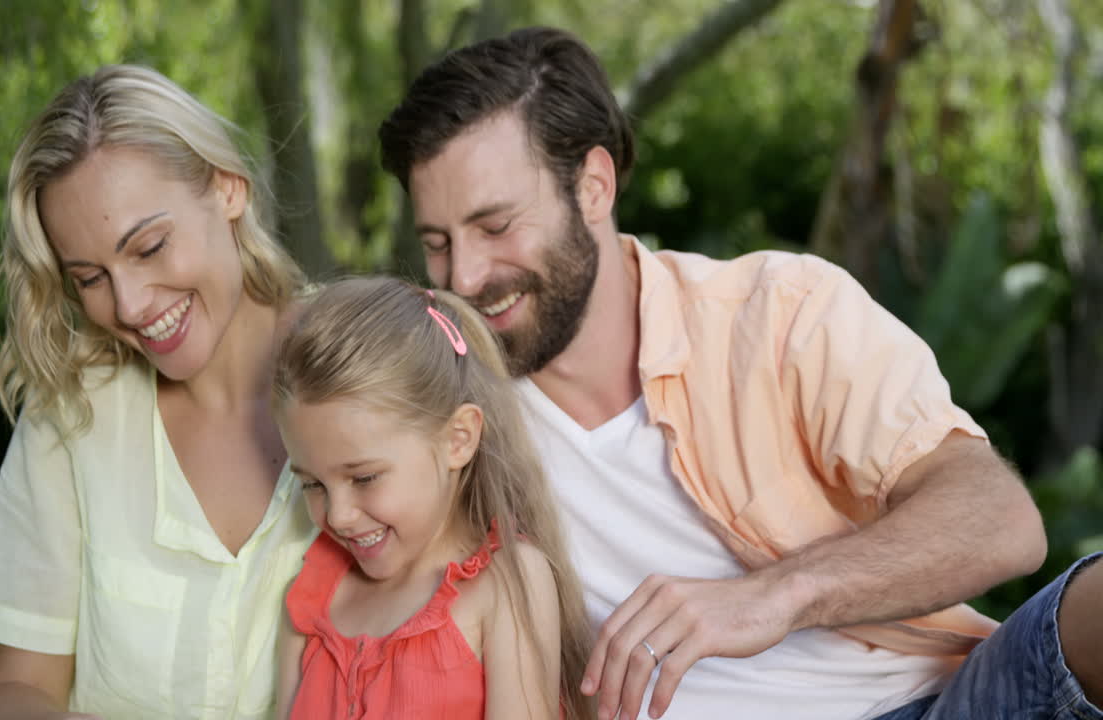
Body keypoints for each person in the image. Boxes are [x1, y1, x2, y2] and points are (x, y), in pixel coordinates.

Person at [377, 25, 1103, 720]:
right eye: (438, 243)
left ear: (594, 186)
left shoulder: (778, 312)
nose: (464, 276)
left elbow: (999, 520)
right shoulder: (439, 406)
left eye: (496, 227)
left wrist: (775, 595)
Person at [0, 64, 316, 720]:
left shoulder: (374, 363)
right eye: (90, 277)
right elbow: (16, 692)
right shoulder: (72, 410)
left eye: (150, 247)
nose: (128, 305)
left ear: (228, 189)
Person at [269, 276, 594, 719]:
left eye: (364, 478)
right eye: (312, 484)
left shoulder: (504, 587)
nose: (340, 516)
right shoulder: (313, 599)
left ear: (458, 439)